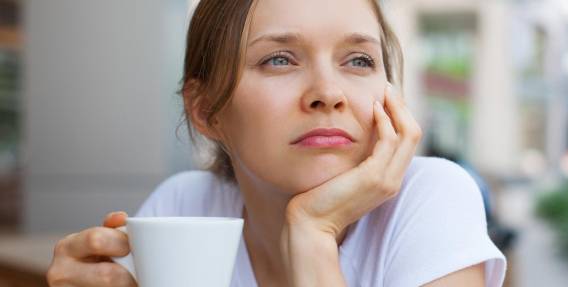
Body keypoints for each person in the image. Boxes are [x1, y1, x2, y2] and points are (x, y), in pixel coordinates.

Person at [46, 0, 507, 286]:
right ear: (206, 111)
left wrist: (313, 232)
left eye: (359, 60)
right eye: (280, 59)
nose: (329, 92)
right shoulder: (183, 205)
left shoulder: (430, 198)